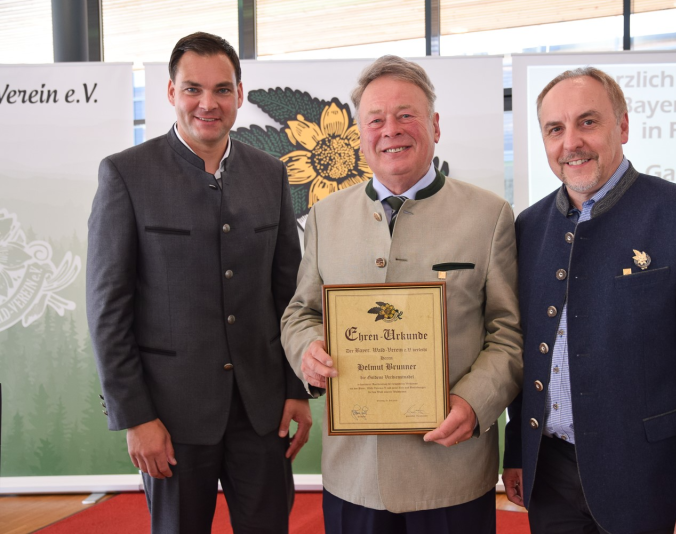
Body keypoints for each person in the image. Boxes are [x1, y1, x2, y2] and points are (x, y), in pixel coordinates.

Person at [502, 66, 676, 534]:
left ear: (622, 126)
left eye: (588, 122)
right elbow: (528, 352)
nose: (571, 142)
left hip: (653, 480)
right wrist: (517, 451)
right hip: (552, 479)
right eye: (555, 129)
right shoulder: (529, 227)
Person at [280, 55, 523, 534]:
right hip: (354, 476)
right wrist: (306, 350)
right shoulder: (326, 216)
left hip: (451, 473)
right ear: (360, 135)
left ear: (434, 124)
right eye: (375, 119)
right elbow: (299, 313)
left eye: (406, 115)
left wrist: (475, 403)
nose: (391, 129)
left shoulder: (489, 215)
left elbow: (509, 334)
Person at [86, 32, 311, 534]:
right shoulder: (126, 175)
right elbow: (108, 310)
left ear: (240, 93)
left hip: (262, 410)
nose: (208, 104)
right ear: (170, 93)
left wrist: (296, 388)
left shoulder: (271, 174)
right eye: (192, 89)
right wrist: (136, 417)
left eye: (222, 90)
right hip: (169, 417)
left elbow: (289, 295)